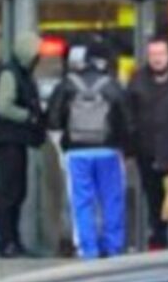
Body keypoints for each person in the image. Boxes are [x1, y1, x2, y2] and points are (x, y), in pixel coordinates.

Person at [47, 40, 131, 258]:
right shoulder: (112, 84)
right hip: (108, 151)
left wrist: (61, 146)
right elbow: (126, 120)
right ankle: (113, 247)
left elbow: (53, 118)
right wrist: (124, 147)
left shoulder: (67, 83)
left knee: (82, 202)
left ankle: (88, 249)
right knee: (111, 199)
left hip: (77, 153)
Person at [126, 37, 168, 250]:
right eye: (153, 54)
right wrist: (132, 147)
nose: (157, 59)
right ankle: (158, 244)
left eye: (160, 54)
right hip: (147, 154)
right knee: (154, 204)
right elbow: (129, 116)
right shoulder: (137, 82)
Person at [0, 32, 44, 258]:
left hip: (16, 140)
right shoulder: (11, 74)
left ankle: (13, 239)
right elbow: (3, 106)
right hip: (9, 140)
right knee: (10, 191)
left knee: (17, 191)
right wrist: (28, 117)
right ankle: (6, 240)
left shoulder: (20, 73)